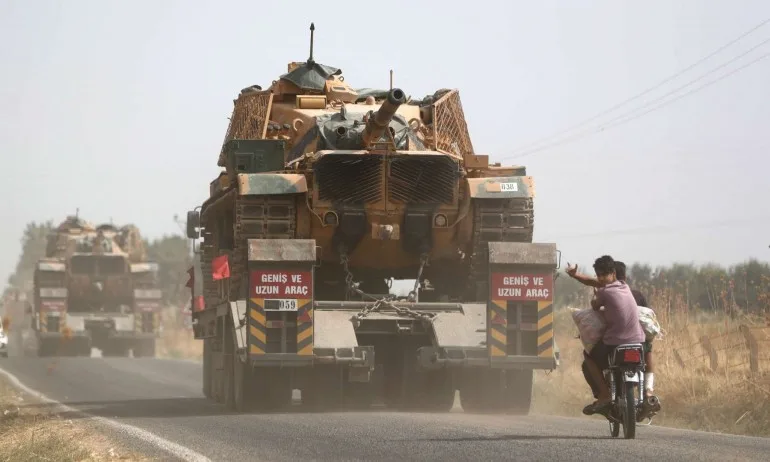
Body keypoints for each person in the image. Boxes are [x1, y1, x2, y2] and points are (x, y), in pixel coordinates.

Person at [566, 255, 646, 415]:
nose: (601, 278)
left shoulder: (604, 292)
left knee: (588, 356)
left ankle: (604, 395)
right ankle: (645, 392)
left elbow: (595, 305)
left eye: (604, 274)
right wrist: (576, 275)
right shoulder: (624, 286)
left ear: (613, 274)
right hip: (638, 340)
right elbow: (592, 282)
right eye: (599, 275)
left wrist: (596, 295)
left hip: (615, 342)